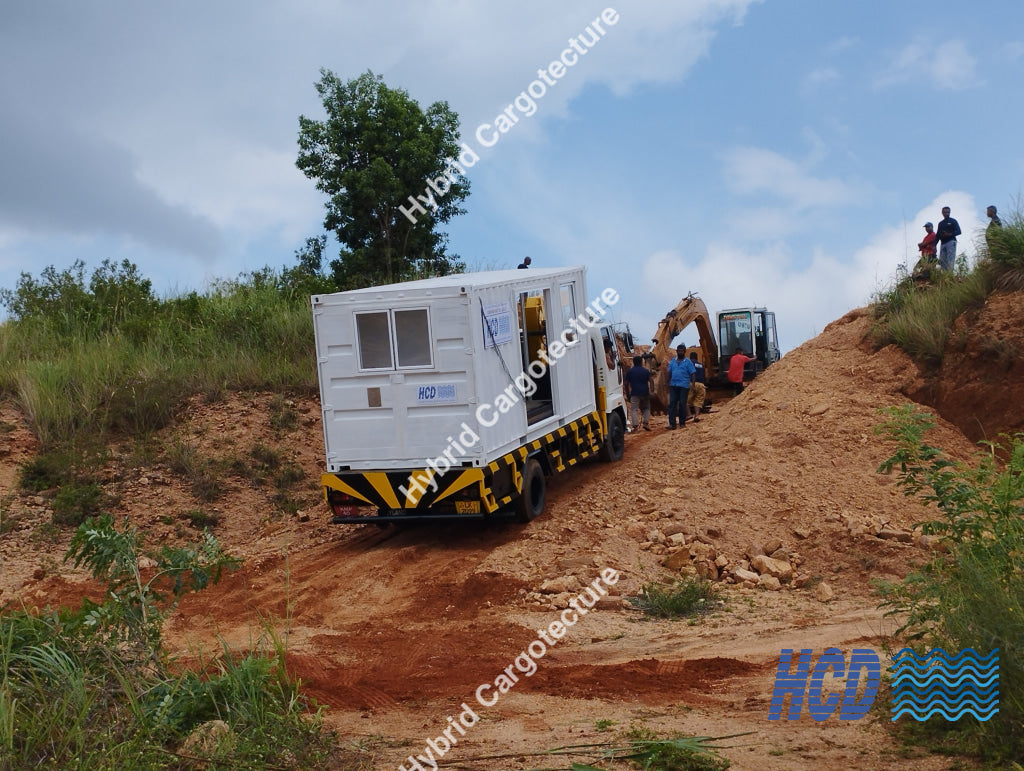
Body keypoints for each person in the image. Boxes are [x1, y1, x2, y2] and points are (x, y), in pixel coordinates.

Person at [666, 344, 696, 430]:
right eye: (679, 351)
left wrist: (693, 385)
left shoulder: (688, 362)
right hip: (673, 385)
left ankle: (682, 423)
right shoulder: (672, 361)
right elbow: (669, 373)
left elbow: (693, 373)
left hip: (684, 385)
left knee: (682, 404)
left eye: (682, 351)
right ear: (676, 351)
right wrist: (666, 383)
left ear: (685, 352)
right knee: (672, 404)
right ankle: (672, 424)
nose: (680, 352)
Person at [624, 356, 653, 431]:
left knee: (634, 409)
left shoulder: (630, 371)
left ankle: (635, 426)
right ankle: (645, 423)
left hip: (634, 393)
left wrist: (627, 394)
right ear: (641, 362)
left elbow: (626, 383)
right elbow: (651, 380)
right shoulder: (645, 371)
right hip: (645, 393)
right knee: (646, 408)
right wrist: (652, 391)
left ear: (633, 362)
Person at [935, 206, 961, 272]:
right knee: (942, 261)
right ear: (942, 213)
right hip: (943, 243)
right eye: (945, 212)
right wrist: (934, 245)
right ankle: (944, 276)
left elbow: (959, 231)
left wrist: (949, 234)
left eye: (948, 212)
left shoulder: (952, 221)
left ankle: (949, 275)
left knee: (950, 259)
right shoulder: (940, 223)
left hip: (951, 242)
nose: (946, 213)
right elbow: (937, 235)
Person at [686, 352, 707, 424]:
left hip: (692, 384)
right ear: (697, 357)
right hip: (701, 385)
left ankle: (689, 414)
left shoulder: (689, 364)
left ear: (690, 357)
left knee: (685, 399)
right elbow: (704, 375)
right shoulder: (701, 365)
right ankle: (696, 416)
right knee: (698, 402)